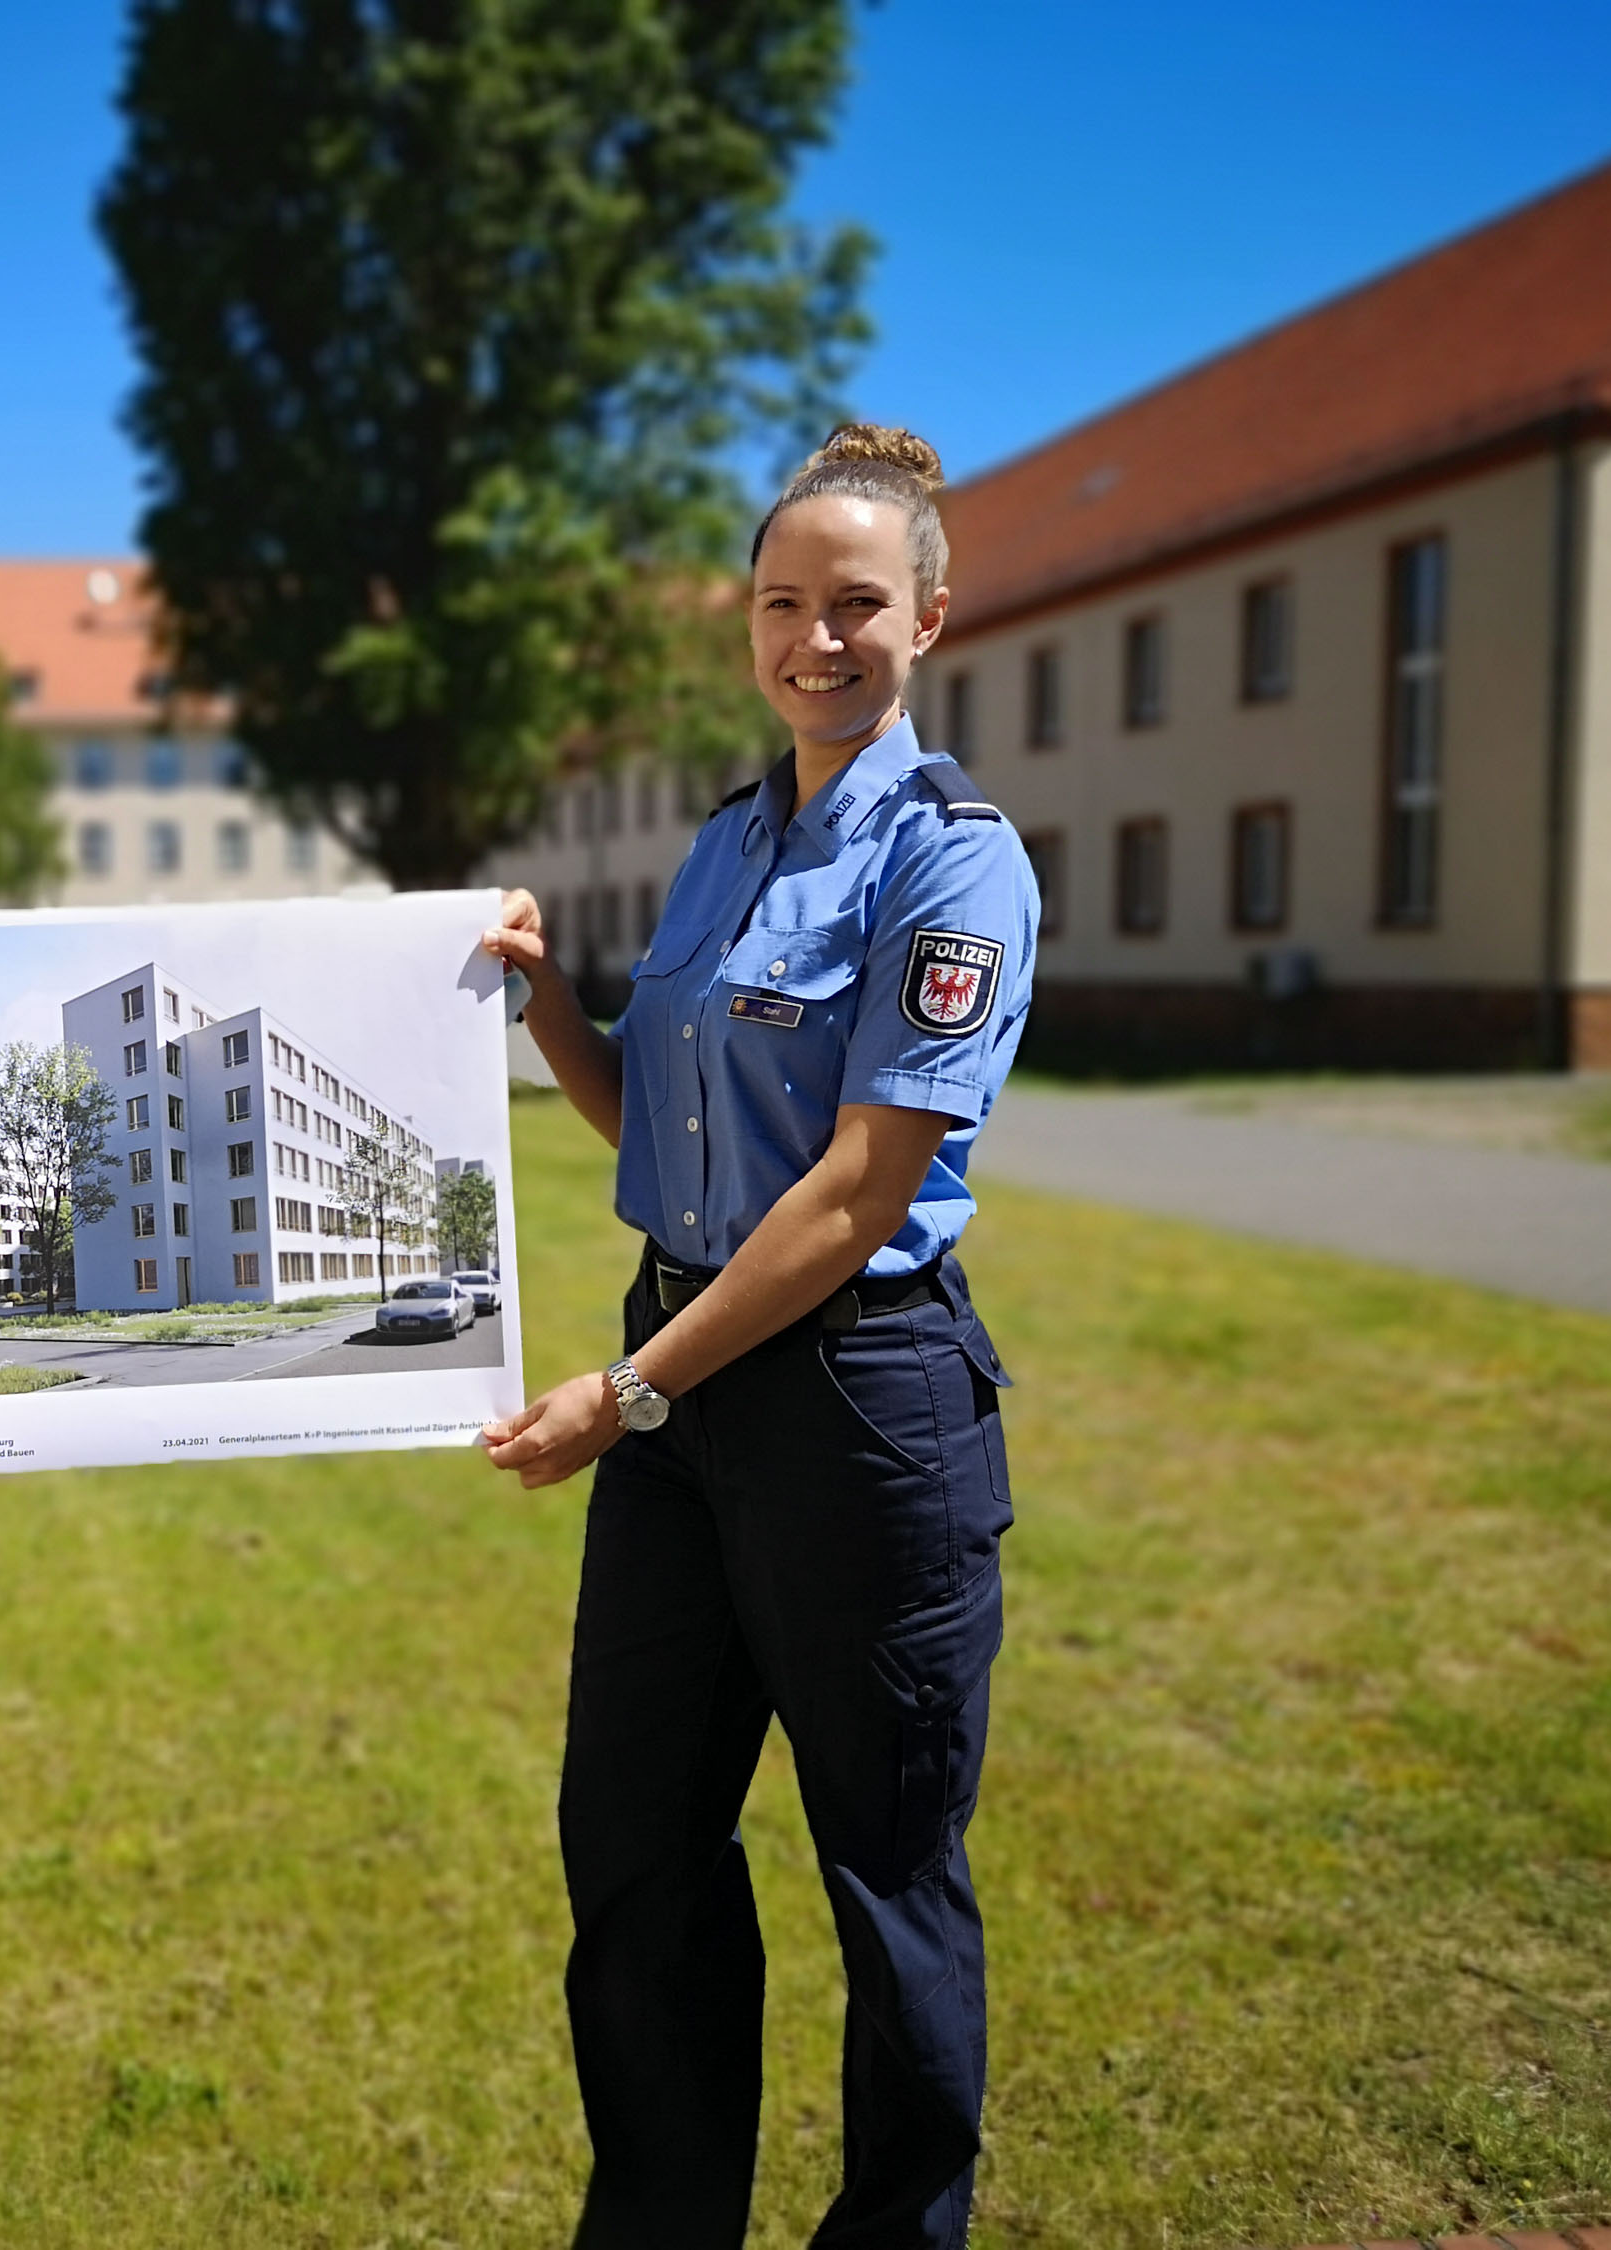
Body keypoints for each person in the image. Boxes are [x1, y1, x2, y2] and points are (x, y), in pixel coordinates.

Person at [480, 424, 1037, 2248]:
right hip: (685, 1388)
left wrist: (632, 1389)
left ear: (931, 617)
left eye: (856, 605)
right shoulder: (724, 846)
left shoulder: (956, 866)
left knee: (884, 1873)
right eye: (783, 604)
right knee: (634, 1850)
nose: (817, 638)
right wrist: (540, 989)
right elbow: (653, 1116)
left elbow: (854, 1193)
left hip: (854, 1404)